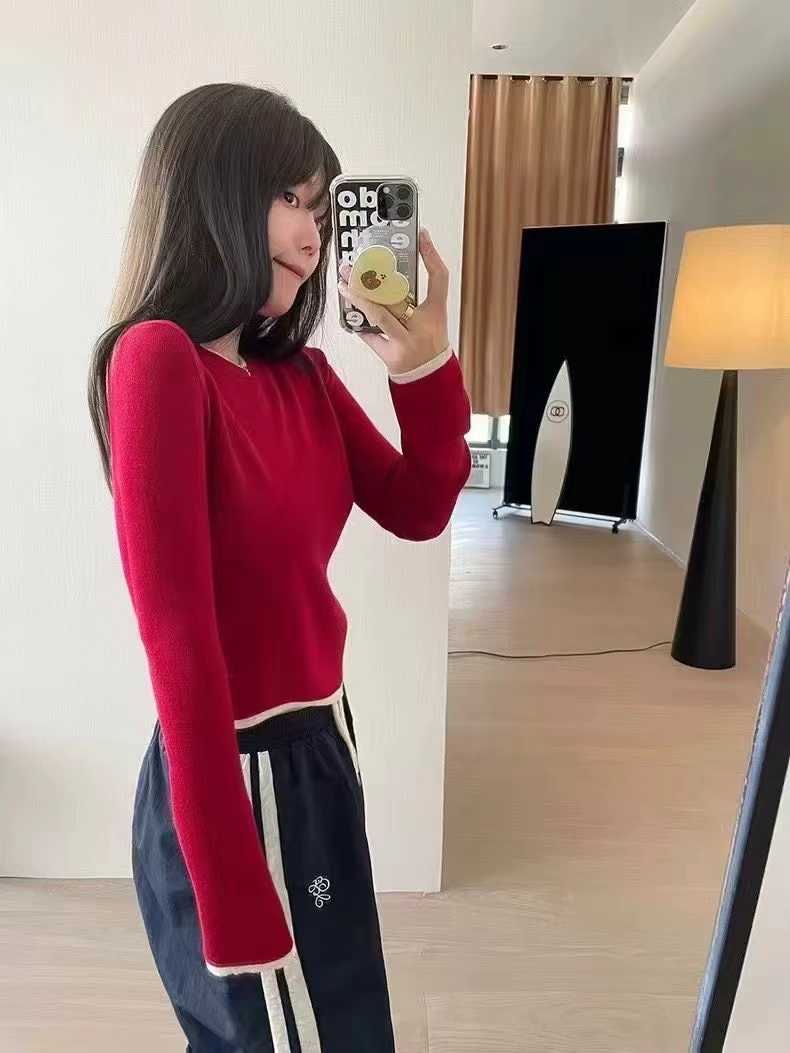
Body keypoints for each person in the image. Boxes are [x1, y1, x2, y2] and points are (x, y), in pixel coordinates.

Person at [87, 82, 472, 1052]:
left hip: (319, 745)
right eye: (291, 199)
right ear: (214, 192)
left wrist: (422, 363)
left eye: (322, 208)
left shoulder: (299, 375)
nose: (313, 235)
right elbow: (176, 636)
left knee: (344, 1018)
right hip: (237, 768)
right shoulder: (158, 361)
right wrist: (230, 894)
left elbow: (419, 507)